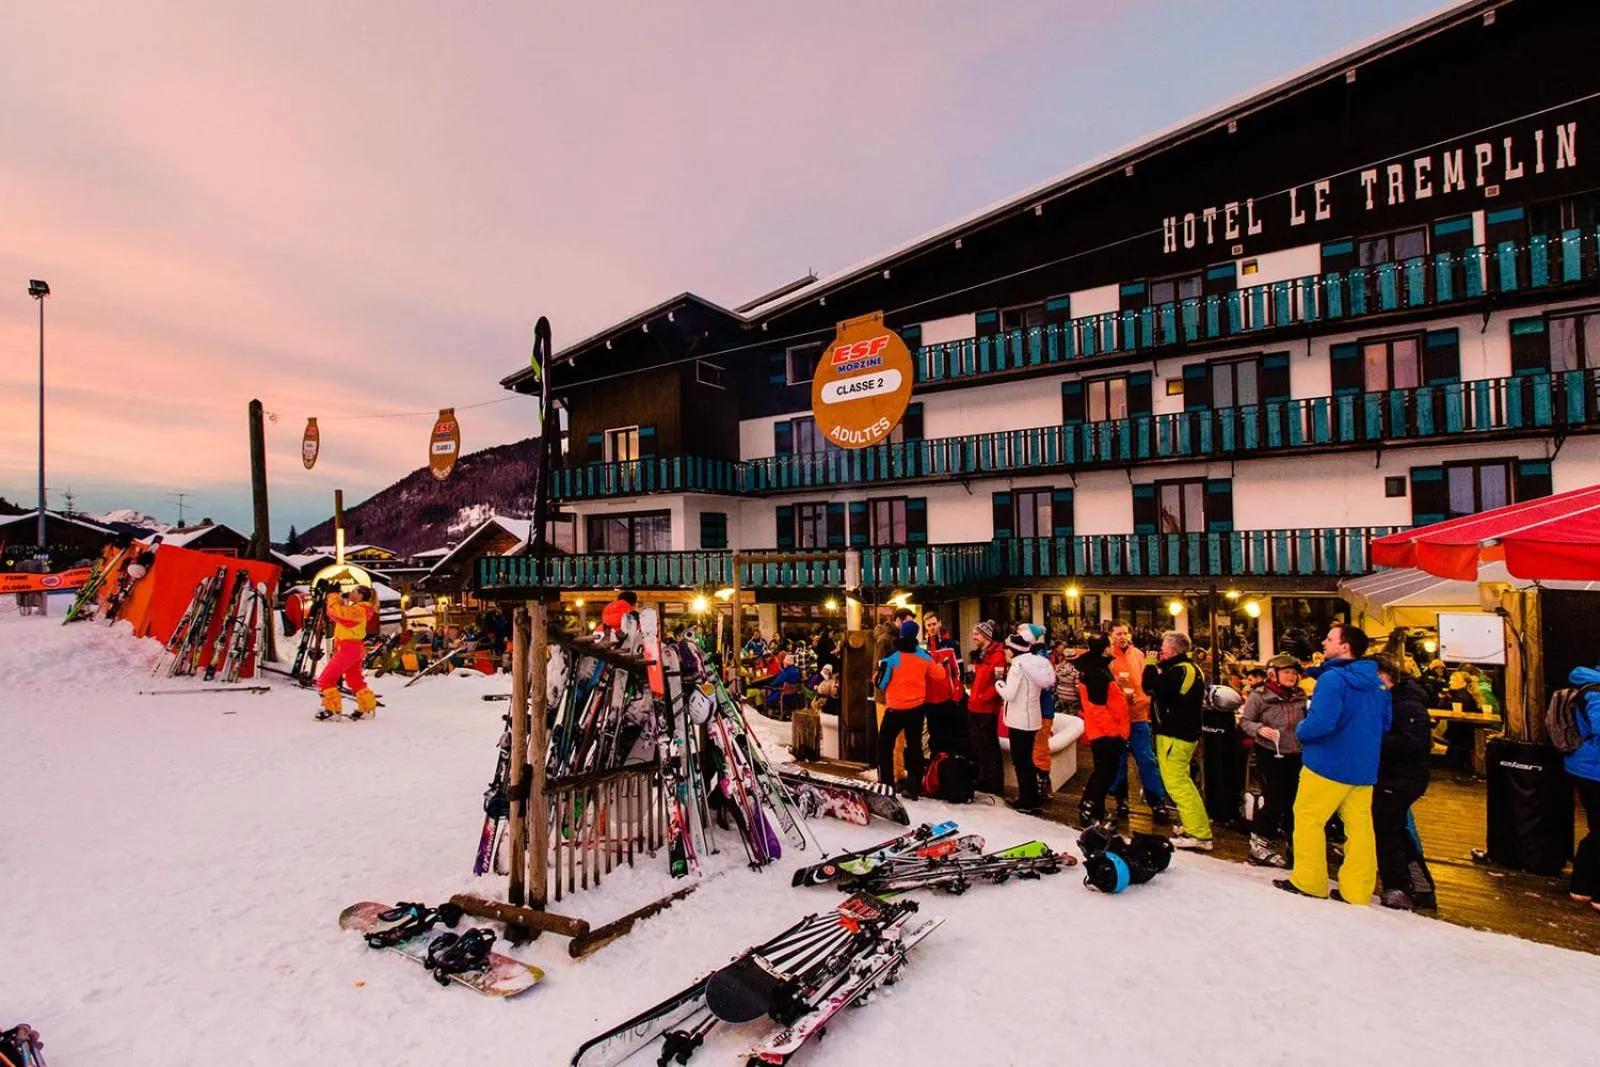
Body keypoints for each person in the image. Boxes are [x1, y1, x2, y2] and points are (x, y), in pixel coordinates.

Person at [1276, 624, 1390, 905]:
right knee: (1360, 828)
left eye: (1329, 639)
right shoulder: (1377, 682)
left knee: (1308, 819)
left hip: (1327, 763)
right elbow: (1385, 722)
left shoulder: (1332, 679)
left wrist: (1301, 729)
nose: (1323, 642)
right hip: (1363, 766)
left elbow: (1321, 723)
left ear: (1345, 646)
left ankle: (1309, 880)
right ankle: (1357, 889)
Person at [1373, 655, 1436, 910]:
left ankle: (1400, 886)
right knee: (1394, 828)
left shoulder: (1406, 703)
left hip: (1402, 776)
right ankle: (1418, 886)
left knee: (1388, 830)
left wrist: (1373, 739)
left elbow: (1414, 743)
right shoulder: (1393, 699)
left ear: (1382, 675)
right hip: (1394, 774)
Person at [1237, 653, 1308, 868]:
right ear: (1273, 674)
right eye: (1287, 672)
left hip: (1296, 753)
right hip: (1270, 753)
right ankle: (1260, 842)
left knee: (1295, 800)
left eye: (1294, 673)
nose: (1291, 677)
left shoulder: (1300, 696)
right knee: (1274, 798)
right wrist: (1260, 729)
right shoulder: (1259, 696)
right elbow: (1245, 721)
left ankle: (1294, 842)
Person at [1145, 631, 1211, 850]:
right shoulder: (1188, 669)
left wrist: (1150, 665)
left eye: (1163, 646)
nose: (1160, 650)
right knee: (1181, 780)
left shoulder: (1181, 670)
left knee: (1178, 784)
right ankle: (1194, 824)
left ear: (1172, 650)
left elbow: (1152, 686)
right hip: (1182, 733)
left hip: (1175, 734)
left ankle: (1199, 834)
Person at [1109, 619, 1170, 821]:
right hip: (1117, 716)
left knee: (1147, 759)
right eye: (1118, 633)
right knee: (1118, 761)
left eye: (1125, 633)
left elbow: (1147, 680)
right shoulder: (1108, 657)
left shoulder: (1138, 655)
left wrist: (1147, 700)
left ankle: (1157, 801)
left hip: (1138, 714)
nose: (1123, 637)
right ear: (1111, 636)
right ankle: (1121, 800)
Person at [873, 620, 935, 798]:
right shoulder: (924, 656)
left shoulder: (891, 657)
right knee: (914, 746)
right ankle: (914, 787)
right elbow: (938, 675)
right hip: (916, 709)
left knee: (885, 745)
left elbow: (880, 683)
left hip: (895, 709)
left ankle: (887, 785)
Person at [995, 628, 1055, 813]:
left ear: (1013, 650)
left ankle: (1027, 799)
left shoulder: (1017, 667)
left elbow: (1010, 694)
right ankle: (1032, 798)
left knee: (1021, 761)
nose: (1005, 652)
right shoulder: (1035, 663)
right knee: (1027, 759)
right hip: (1033, 718)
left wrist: (998, 683)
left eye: (1006, 649)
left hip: (1019, 720)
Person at [1074, 635, 1130, 828]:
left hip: (1104, 730)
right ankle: (1088, 808)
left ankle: (1094, 808)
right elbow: (1097, 707)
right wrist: (1115, 731)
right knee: (1104, 772)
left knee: (1104, 771)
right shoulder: (1096, 672)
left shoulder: (1095, 668)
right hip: (1105, 732)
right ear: (1105, 649)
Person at [1562, 665, 1600, 912]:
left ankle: (1582, 887)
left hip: (1587, 768)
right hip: (1594, 769)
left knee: (1598, 830)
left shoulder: (1590, 686)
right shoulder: (1596, 691)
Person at [317, 586, 380, 720]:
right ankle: (367, 708)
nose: (350, 593)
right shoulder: (359, 609)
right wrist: (338, 597)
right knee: (355, 679)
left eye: (353, 591)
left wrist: (332, 596)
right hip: (353, 648)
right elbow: (341, 611)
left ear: (361, 595)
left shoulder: (358, 610)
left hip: (348, 648)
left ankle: (332, 710)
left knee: (326, 679)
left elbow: (336, 612)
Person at [966, 620, 1007, 794]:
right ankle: (984, 778)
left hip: (986, 708)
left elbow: (998, 683)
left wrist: (983, 697)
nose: (974, 637)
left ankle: (994, 782)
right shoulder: (983, 655)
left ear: (986, 636)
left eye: (977, 634)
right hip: (976, 705)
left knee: (989, 745)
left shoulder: (997, 656)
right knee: (979, 745)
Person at [923, 614, 966, 757]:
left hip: (947, 698)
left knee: (948, 735)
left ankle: (949, 767)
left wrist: (957, 695)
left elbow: (959, 672)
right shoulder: (922, 647)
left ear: (940, 623)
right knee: (933, 735)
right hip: (929, 699)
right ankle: (935, 769)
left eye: (934, 624)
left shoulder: (951, 645)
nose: (932, 627)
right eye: (929, 625)